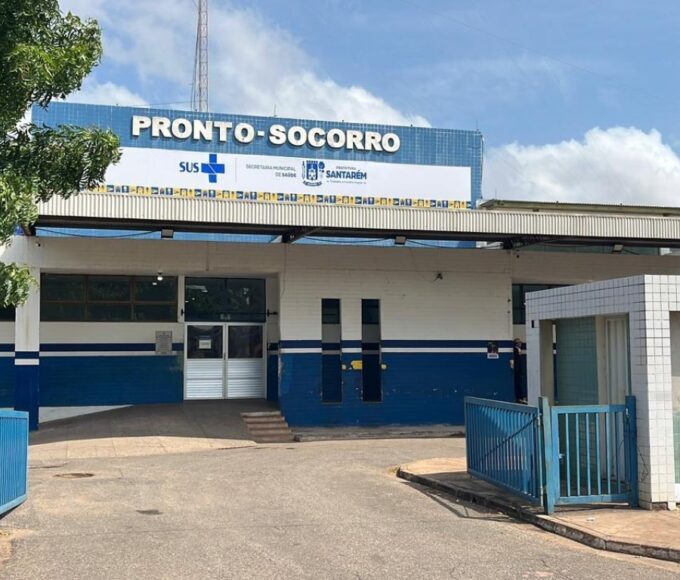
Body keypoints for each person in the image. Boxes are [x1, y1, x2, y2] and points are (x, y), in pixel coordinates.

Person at [513, 338, 527, 403]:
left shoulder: (519, 350)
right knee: (518, 383)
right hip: (517, 369)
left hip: (519, 369)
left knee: (520, 383)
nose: (520, 344)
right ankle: (519, 397)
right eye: (519, 343)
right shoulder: (515, 350)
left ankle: (520, 397)